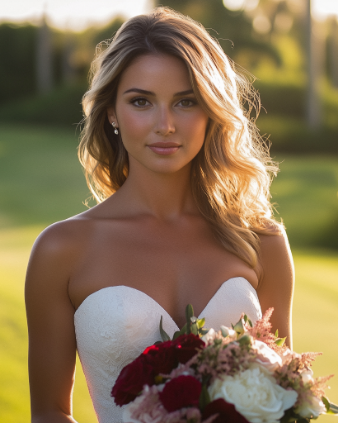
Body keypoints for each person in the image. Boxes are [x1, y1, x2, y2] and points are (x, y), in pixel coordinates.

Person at [25, 7, 294, 423]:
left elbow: (284, 397)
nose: (165, 125)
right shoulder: (62, 250)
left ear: (211, 111)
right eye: (141, 102)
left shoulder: (263, 242)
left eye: (186, 102)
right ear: (112, 112)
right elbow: (48, 413)